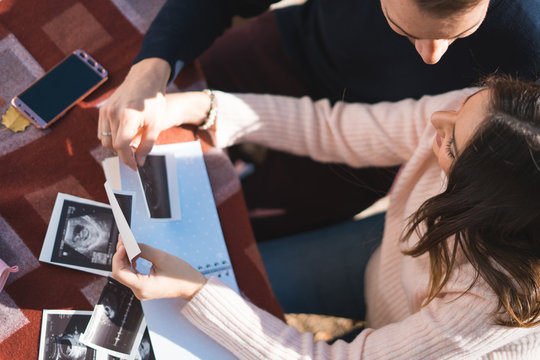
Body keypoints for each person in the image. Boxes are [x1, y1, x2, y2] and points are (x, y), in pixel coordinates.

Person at [111, 76, 540, 358]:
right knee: (240, 279)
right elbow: (331, 127)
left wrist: (195, 290)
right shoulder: (478, 122)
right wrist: (195, 107)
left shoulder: (492, 303)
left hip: (437, 334)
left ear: (482, 200)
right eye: (467, 101)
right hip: (385, 264)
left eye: (450, 142)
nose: (437, 119)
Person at [99, 0, 540, 239]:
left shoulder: (531, 41)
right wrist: (152, 68)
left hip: (374, 151)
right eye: (405, 30)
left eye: (459, 35)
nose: (432, 58)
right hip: (292, 49)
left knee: (214, 232)